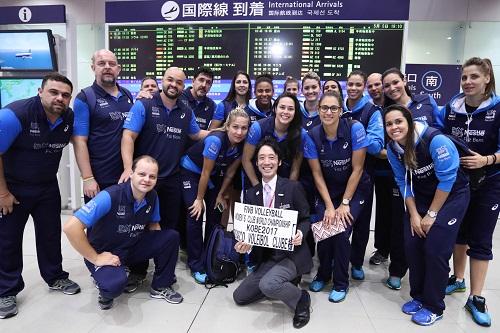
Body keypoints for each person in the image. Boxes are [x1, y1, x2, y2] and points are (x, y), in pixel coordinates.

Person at [0, 73, 81, 319]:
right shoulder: (15, 114)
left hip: (47, 186)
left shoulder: (67, 116)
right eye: (54, 92)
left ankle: (55, 276)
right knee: (8, 240)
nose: (60, 98)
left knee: (49, 234)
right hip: (13, 188)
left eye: (65, 95)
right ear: (40, 91)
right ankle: (6, 290)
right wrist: (2, 193)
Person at [120, 66, 207, 289]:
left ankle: (164, 270)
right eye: (170, 80)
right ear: (162, 80)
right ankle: (138, 271)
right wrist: (128, 168)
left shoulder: (186, 111)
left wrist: (226, 130)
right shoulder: (144, 105)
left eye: (179, 82)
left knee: (168, 228)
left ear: (182, 86)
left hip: (171, 180)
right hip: (144, 180)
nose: (174, 85)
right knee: (138, 226)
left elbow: (196, 134)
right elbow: (128, 136)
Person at [385, 104, 470, 326]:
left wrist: (431, 215)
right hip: (420, 198)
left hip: (451, 196)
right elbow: (403, 181)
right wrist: (413, 214)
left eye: (398, 122)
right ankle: (419, 296)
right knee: (412, 246)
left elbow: (447, 180)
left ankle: (434, 306)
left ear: (409, 121)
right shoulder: (393, 148)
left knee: (435, 249)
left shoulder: (435, 140)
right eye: (389, 124)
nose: (394, 127)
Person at [63, 156, 182, 310]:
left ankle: (160, 287)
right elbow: (70, 228)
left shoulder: (152, 196)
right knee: (113, 287)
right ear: (131, 174)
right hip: (106, 253)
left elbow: (154, 226)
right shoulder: (110, 196)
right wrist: (96, 258)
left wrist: (162, 263)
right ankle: (104, 282)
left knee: (171, 237)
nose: (147, 180)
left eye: (152, 176)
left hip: (131, 247)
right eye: (141, 174)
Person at [441, 57, 499, 327]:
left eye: (474, 77)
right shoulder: (452, 108)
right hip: (458, 181)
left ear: (487, 78)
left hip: (489, 182)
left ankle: (476, 297)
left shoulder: (497, 109)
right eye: (464, 77)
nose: (468, 82)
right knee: (458, 231)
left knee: (481, 239)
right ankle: (458, 279)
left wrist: (486, 160)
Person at [233, 138, 312, 329]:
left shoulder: (292, 187)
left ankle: (301, 298)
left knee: (268, 285)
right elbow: (252, 231)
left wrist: (300, 234)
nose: (266, 162)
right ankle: (282, 282)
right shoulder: (252, 194)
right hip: (269, 257)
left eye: (271, 157)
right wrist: (246, 243)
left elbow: (306, 219)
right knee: (240, 297)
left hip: (292, 254)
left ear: (279, 162)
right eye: (261, 158)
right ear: (257, 163)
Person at [378, 67, 442, 289]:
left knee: (434, 226)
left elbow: (440, 131)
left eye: (395, 82)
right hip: (405, 176)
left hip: (433, 175)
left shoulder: (425, 101)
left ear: (404, 81)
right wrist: (399, 154)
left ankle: (432, 274)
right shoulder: (385, 111)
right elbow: (381, 145)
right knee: (401, 224)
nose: (392, 88)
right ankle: (397, 269)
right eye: (387, 86)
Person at [303, 91, 371, 302]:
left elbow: (357, 169)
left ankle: (341, 282)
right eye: (324, 108)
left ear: (341, 111)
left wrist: (344, 204)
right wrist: (329, 206)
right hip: (327, 190)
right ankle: (323, 273)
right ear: (318, 110)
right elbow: (316, 173)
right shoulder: (312, 135)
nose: (328, 112)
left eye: (334, 108)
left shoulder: (354, 128)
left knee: (340, 232)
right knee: (324, 227)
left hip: (354, 189)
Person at [180, 108, 249, 283]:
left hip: (214, 177)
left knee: (216, 213)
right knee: (195, 213)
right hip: (192, 173)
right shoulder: (215, 140)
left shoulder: (243, 144)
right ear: (227, 126)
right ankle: (195, 264)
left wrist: (221, 194)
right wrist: (198, 199)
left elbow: (229, 174)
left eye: (243, 128)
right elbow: (204, 172)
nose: (239, 132)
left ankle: (209, 255)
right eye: (235, 127)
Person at [73, 49, 134, 202]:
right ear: (93, 68)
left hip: (127, 176)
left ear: (118, 69)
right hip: (100, 179)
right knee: (99, 225)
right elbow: (79, 141)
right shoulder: (85, 97)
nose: (107, 67)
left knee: (124, 224)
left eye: (111, 64)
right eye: (101, 63)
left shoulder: (127, 95)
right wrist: (88, 178)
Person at [343, 70, 384, 280]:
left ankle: (357, 262)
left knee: (360, 223)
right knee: (337, 222)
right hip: (337, 174)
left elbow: (376, 145)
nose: (353, 88)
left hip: (363, 176)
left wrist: (351, 141)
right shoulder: (337, 108)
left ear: (364, 87)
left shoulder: (372, 112)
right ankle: (334, 261)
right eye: (350, 84)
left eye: (358, 85)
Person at [242, 92, 306, 190]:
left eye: (290, 109)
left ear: (295, 112)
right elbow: (246, 160)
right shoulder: (258, 128)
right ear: (275, 109)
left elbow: (295, 169)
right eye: (282, 107)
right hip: (256, 181)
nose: (286, 112)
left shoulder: (301, 134)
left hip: (284, 183)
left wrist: (288, 192)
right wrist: (258, 187)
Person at [367, 72, 390, 267]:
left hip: (399, 169)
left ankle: (398, 258)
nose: (375, 88)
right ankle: (382, 250)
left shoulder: (395, 106)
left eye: (378, 85)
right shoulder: (370, 108)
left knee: (396, 214)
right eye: (371, 86)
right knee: (382, 213)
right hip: (375, 169)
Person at [180, 66, 216, 131]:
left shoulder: (212, 105)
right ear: (193, 81)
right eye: (201, 80)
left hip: (200, 140)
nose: (204, 85)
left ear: (211, 86)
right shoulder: (179, 97)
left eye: (208, 82)